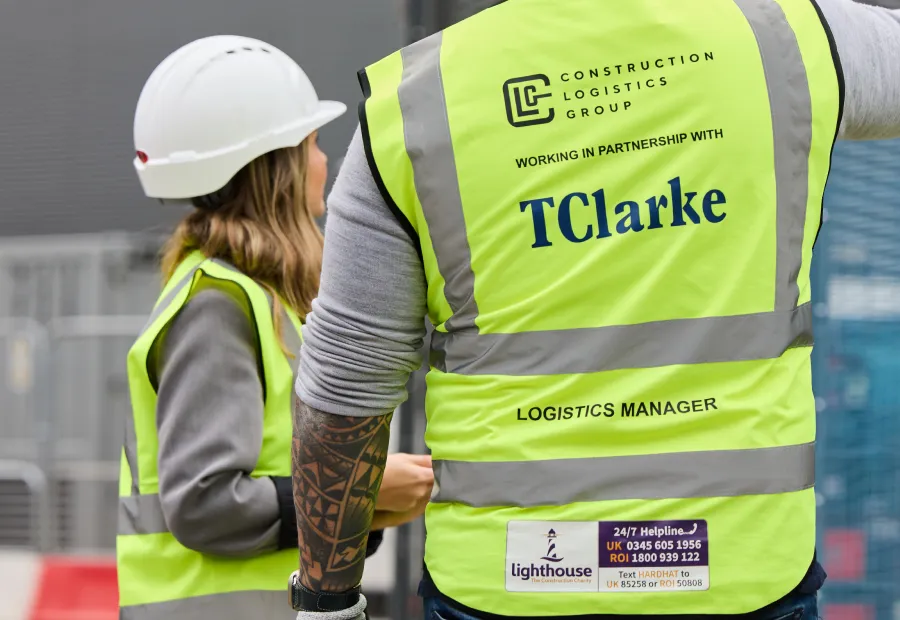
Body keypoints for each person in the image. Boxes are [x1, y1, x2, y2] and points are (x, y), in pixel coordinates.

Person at [288, 0, 900, 619]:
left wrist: (326, 603)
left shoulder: (419, 102)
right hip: (741, 571)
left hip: (509, 579)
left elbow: (346, 389)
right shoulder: (787, 41)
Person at [115, 35, 433, 620]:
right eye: (312, 145)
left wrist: (368, 503)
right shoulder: (215, 305)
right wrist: (357, 485)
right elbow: (206, 505)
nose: (326, 163)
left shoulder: (257, 297)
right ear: (276, 166)